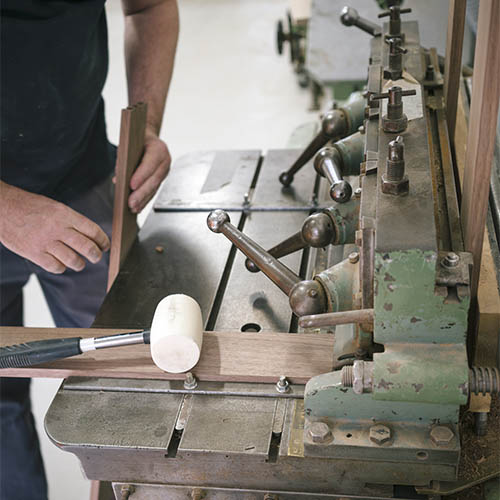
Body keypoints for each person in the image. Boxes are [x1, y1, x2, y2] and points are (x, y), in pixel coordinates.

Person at [0, 1, 179, 498]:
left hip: (83, 175)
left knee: (126, 375)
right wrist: (4, 208)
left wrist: (146, 125)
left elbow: (150, 6)